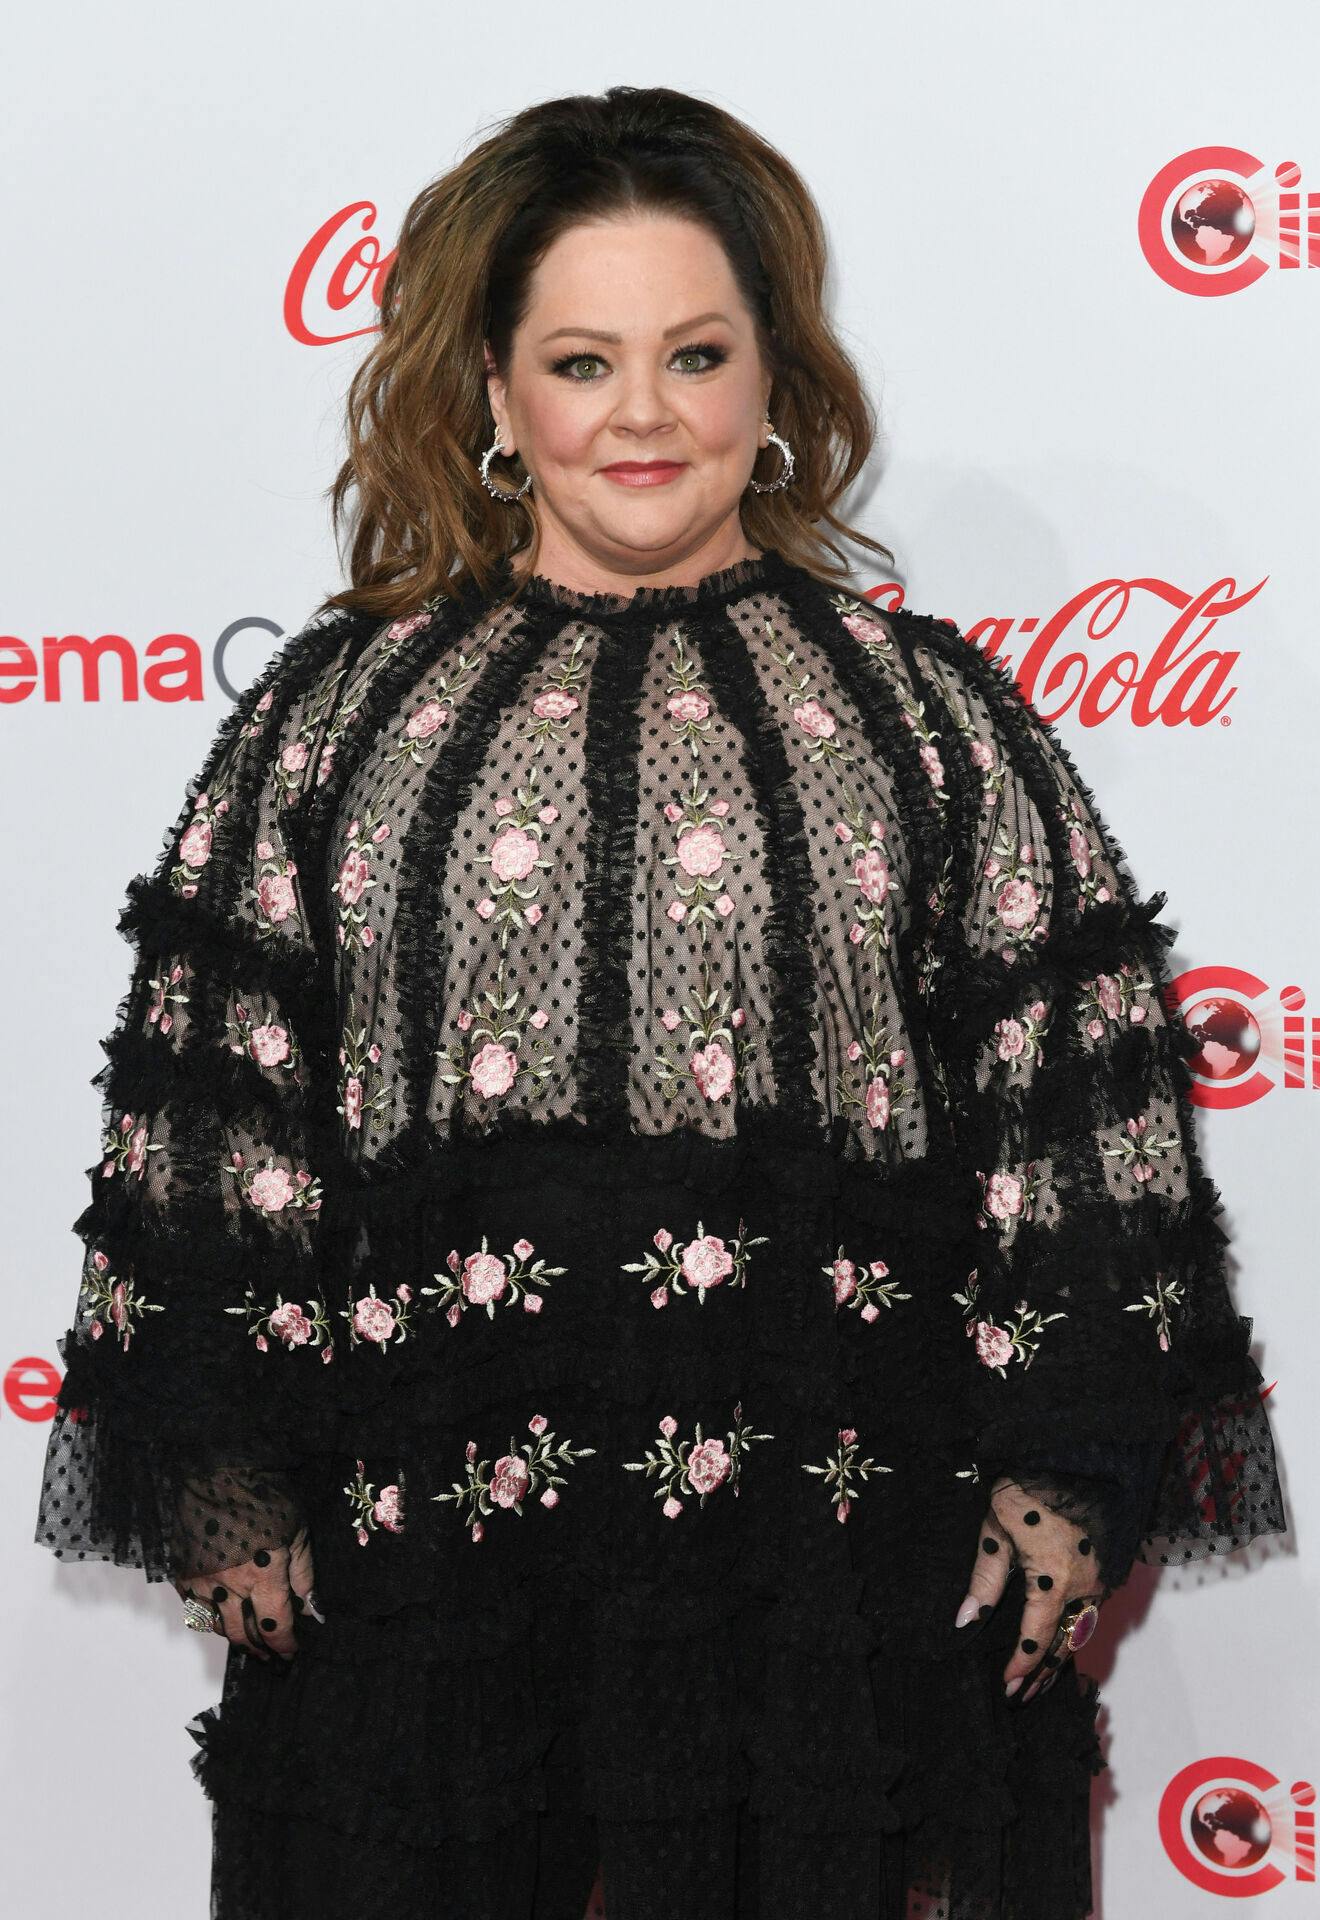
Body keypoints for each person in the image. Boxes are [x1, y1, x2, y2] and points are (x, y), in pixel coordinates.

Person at [34, 84, 1284, 1920]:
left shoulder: (928, 721)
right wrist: (221, 1466)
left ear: (774, 381)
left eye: (695, 354)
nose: (642, 414)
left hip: (837, 1589)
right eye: (582, 362)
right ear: (493, 392)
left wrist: (1066, 1475)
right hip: (434, 1583)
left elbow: (1077, 1112)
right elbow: (219, 1108)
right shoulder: (334, 721)